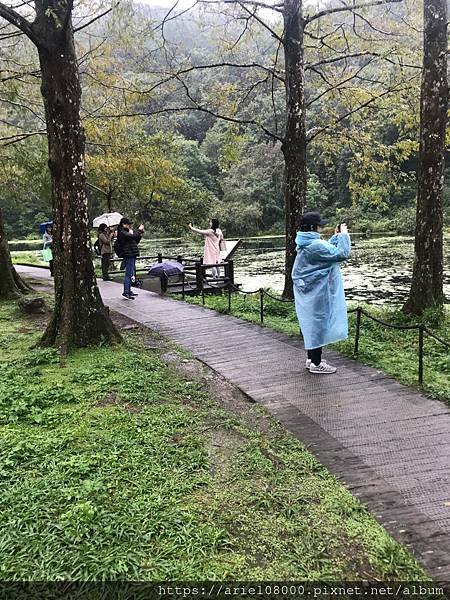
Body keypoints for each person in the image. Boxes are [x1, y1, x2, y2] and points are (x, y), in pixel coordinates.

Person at [292, 211, 351, 374]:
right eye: (319, 226)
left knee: (312, 324)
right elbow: (341, 254)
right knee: (318, 324)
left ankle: (312, 359)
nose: (320, 229)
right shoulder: (314, 245)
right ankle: (316, 364)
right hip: (317, 293)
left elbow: (327, 249)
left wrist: (337, 237)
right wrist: (344, 236)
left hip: (311, 292)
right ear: (312, 227)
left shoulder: (306, 243)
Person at [117, 217, 144, 300]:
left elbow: (135, 240)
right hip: (128, 255)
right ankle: (126, 291)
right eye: (128, 224)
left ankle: (128, 290)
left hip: (132, 254)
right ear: (123, 224)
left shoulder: (127, 232)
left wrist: (140, 234)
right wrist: (138, 230)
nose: (130, 226)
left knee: (131, 274)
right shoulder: (122, 233)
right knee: (128, 274)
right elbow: (132, 237)